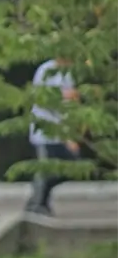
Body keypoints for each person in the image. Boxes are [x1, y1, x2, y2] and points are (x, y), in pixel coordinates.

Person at [24, 58, 81, 216]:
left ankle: (38, 199)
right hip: (45, 130)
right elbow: (42, 99)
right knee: (46, 169)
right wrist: (63, 97)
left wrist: (71, 134)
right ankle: (37, 204)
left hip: (63, 131)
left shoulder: (68, 73)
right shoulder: (46, 70)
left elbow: (71, 104)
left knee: (71, 164)